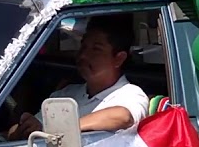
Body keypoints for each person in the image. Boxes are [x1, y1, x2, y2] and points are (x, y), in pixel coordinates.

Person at [13, 15, 149, 136]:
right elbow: (35, 127)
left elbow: (123, 117)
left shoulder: (131, 94)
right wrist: (25, 129)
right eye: (83, 46)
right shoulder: (65, 93)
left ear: (119, 59)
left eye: (96, 49)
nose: (83, 55)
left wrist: (61, 128)